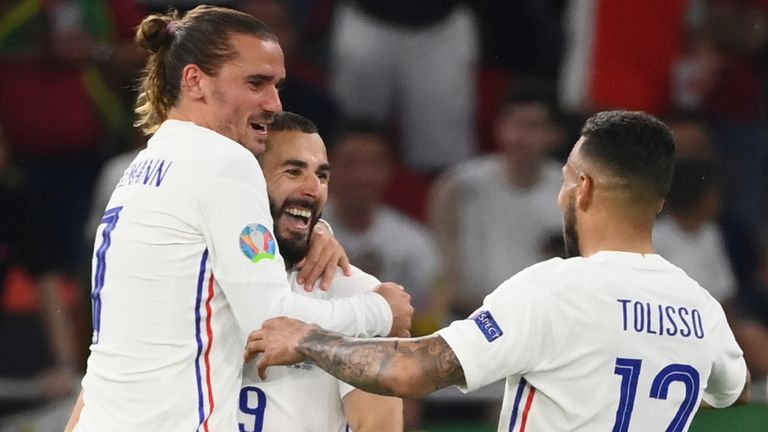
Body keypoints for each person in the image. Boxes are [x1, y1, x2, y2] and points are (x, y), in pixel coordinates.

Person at [247, 110, 751, 431]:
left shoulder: (555, 289)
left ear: (586, 189)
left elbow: (413, 369)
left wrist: (309, 339)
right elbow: (735, 388)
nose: (560, 196)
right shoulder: (699, 306)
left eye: (565, 182)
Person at [66, 6, 412, 431]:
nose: (274, 103)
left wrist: (314, 229)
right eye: (256, 83)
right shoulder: (224, 160)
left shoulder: (140, 168)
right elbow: (270, 317)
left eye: (276, 85)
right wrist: (379, 310)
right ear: (195, 81)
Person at [239, 111, 402, 432]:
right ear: (249, 180)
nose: (314, 188)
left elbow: (379, 427)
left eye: (322, 175)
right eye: (294, 171)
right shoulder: (202, 280)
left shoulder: (359, 294)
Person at [429, 79, 564, 319]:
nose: (520, 136)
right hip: (470, 320)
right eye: (514, 124)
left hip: (539, 321)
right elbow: (446, 276)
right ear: (499, 127)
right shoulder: (458, 187)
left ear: (553, 134)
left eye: (532, 126)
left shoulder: (569, 191)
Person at [322, 119, 442, 333]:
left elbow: (429, 312)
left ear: (388, 170)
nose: (362, 176)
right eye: (350, 163)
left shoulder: (414, 242)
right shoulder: (304, 230)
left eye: (373, 164)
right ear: (328, 168)